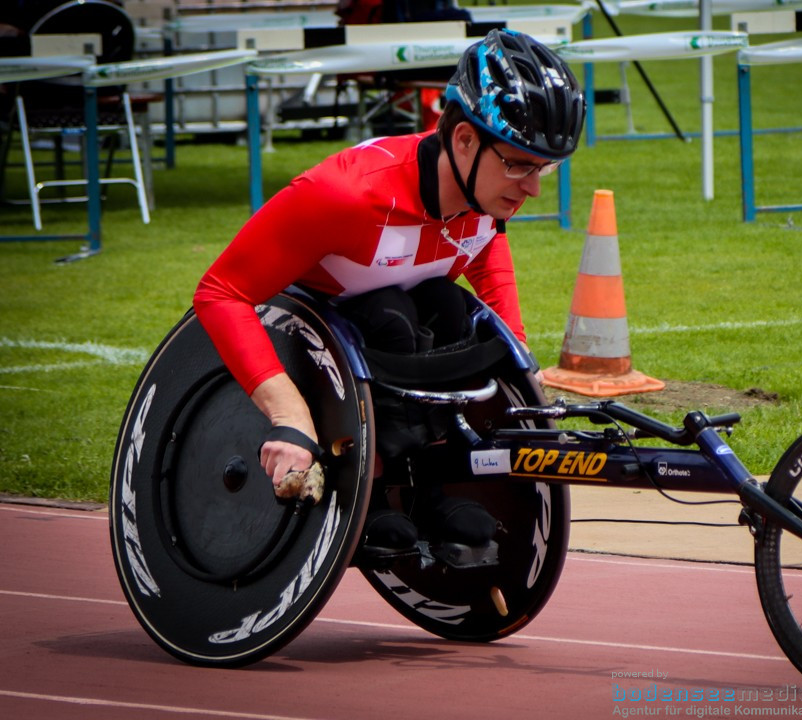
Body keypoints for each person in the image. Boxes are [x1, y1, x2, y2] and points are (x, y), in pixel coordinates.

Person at [192, 29, 585, 562]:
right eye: (518, 164)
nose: (533, 187)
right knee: (389, 314)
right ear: (464, 139)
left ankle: (429, 489)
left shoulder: (482, 193)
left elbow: (486, 246)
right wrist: (290, 417)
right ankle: (372, 492)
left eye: (544, 168)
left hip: (399, 330)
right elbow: (220, 293)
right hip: (321, 338)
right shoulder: (343, 196)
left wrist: (519, 353)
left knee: (449, 309)